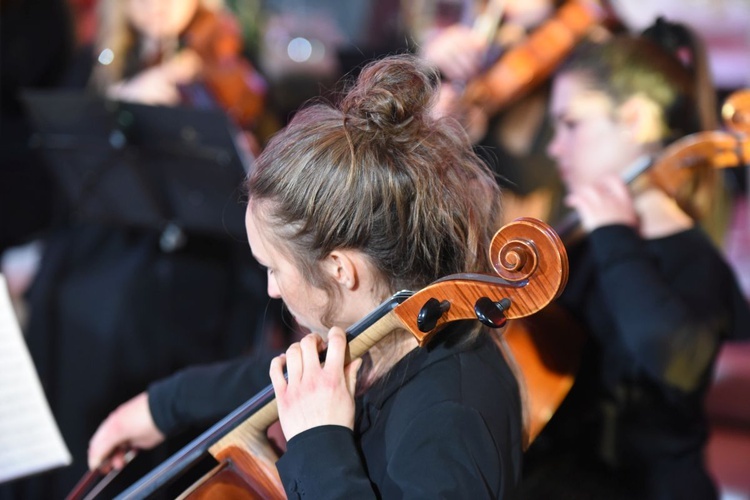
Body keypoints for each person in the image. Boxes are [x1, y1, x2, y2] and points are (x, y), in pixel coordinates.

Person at [87, 54, 525, 498]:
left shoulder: (450, 418)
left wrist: (319, 441)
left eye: (275, 268)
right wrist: (159, 408)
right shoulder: (384, 333)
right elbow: (295, 374)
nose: (271, 288)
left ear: (341, 269)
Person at [3, 0, 281, 498]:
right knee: (61, 301)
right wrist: (119, 108)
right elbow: (65, 179)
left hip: (199, 259)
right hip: (108, 245)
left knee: (119, 317)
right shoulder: (98, 63)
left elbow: (260, 181)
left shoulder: (224, 64)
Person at [520, 19, 750, 499]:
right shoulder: (583, 242)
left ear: (636, 120)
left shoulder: (691, 260)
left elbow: (676, 364)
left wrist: (616, 237)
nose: (554, 146)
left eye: (571, 124)